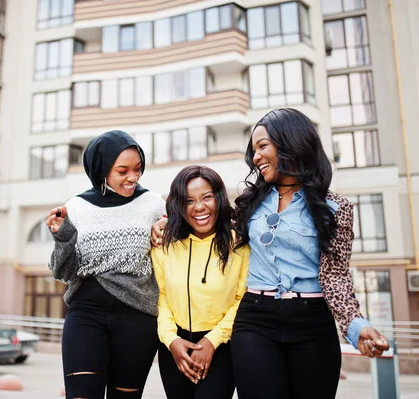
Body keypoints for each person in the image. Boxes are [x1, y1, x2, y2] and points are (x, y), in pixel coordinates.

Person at [228, 108, 389, 399]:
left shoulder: (336, 209)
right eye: (253, 150)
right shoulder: (247, 205)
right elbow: (201, 222)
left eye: (262, 146)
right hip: (255, 321)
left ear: (291, 142)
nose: (255, 158)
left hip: (313, 324)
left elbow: (336, 275)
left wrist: (356, 324)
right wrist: (164, 223)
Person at [45, 130, 165, 399]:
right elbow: (63, 272)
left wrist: (167, 225)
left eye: (138, 168)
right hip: (86, 314)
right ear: (101, 169)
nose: (132, 177)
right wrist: (62, 237)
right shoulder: (76, 208)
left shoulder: (153, 204)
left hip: (137, 316)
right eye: (122, 170)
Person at [151, 165, 249, 399]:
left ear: (219, 198)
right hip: (174, 348)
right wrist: (171, 340)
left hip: (222, 347)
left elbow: (242, 299)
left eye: (206, 197)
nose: (199, 207)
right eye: (189, 201)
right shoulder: (164, 243)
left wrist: (212, 341)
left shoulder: (240, 244)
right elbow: (161, 296)